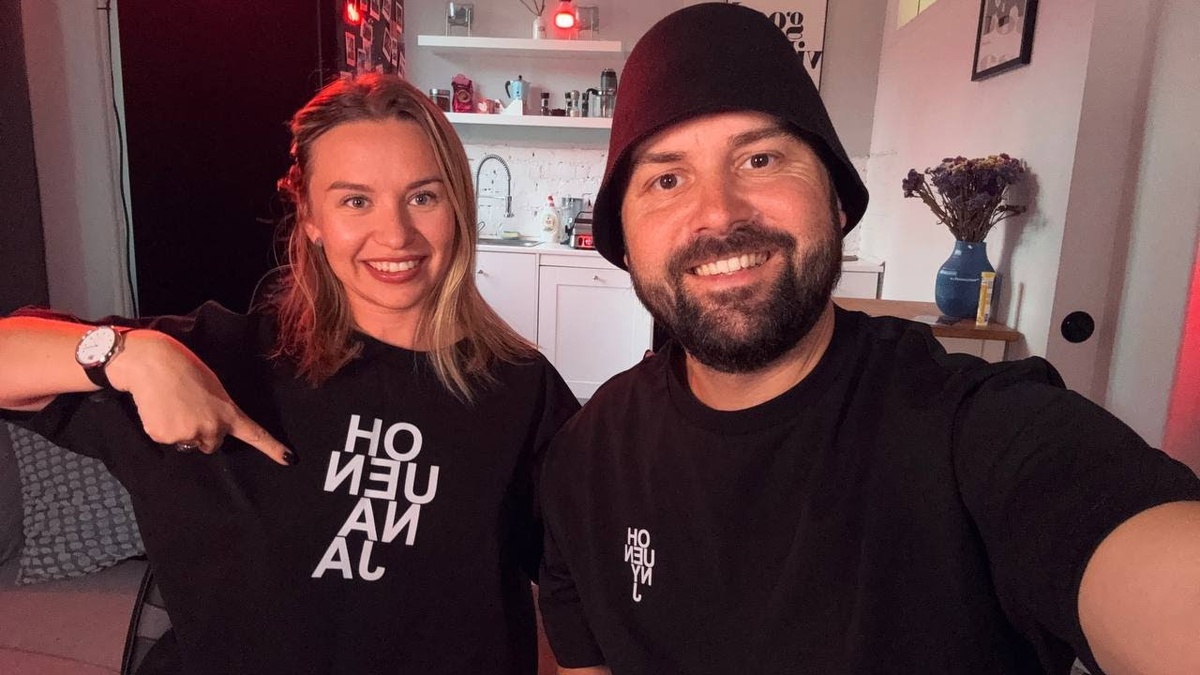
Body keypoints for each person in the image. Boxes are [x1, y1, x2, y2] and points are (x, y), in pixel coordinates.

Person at [536, 5, 1200, 675]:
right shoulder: (584, 462)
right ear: (626, 241)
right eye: (667, 179)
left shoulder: (974, 430)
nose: (719, 213)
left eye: (761, 158)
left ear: (837, 201)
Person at [0, 73, 579, 674]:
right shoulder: (219, 359)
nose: (395, 235)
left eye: (423, 197)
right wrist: (129, 355)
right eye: (356, 201)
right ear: (311, 218)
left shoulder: (521, 390)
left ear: (457, 207)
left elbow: (586, 585)